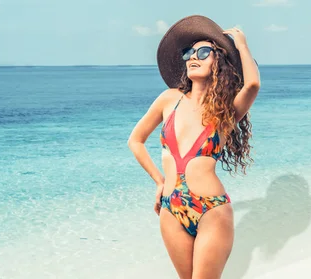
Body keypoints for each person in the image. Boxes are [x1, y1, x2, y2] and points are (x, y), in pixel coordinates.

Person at [127, 15, 260, 279]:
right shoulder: (169, 100)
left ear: (218, 61)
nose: (192, 57)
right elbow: (135, 140)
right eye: (189, 52)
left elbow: (253, 84)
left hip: (211, 209)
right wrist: (158, 181)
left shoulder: (226, 110)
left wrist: (241, 45)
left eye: (203, 51)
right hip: (170, 208)